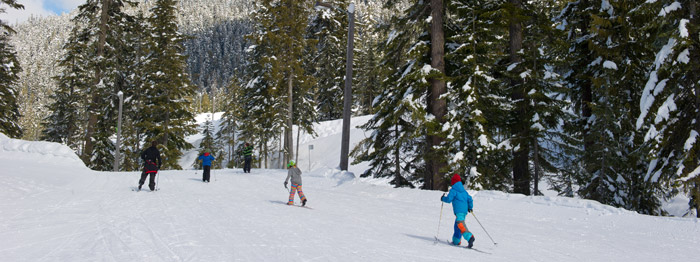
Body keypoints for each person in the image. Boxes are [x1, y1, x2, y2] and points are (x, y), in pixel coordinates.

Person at [441, 174, 475, 248]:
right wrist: (470, 207)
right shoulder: (464, 191)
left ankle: (470, 237)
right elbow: (470, 199)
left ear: (453, 182)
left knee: (460, 224)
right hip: (464, 211)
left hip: (459, 212)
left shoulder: (453, 190)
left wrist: (443, 198)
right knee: (457, 225)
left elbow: (449, 199)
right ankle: (456, 240)